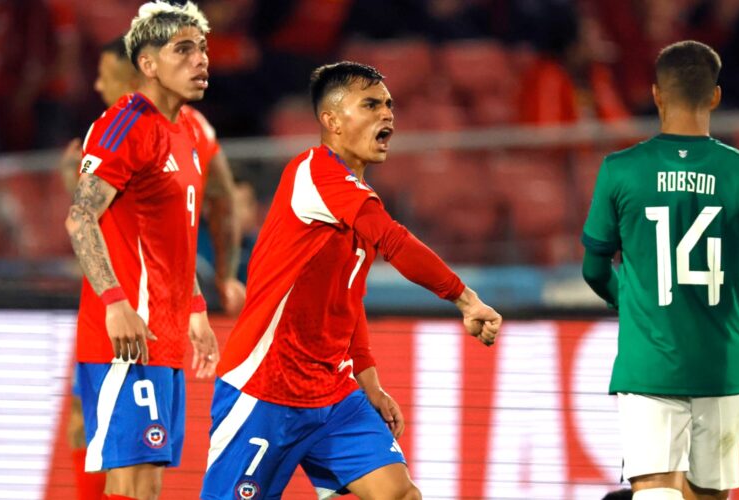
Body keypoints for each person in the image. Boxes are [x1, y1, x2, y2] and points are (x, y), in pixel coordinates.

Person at [201, 62, 502, 499]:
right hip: (264, 388)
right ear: (332, 121)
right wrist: (465, 298)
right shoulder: (316, 174)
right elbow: (395, 241)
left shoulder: (354, 198)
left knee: (400, 495)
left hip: (332, 394)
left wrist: (369, 382)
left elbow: (347, 300)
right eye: (372, 104)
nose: (388, 115)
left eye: (389, 105)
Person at [582, 40, 739, 500]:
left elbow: (594, 267)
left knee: (655, 493)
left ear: (657, 94)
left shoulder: (620, 170)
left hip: (648, 365)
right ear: (714, 96)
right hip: (722, 368)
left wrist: (630, 301)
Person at [59, 33, 246, 499]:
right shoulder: (121, 126)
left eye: (201, 50)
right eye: (185, 50)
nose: (201, 60)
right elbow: (82, 217)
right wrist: (115, 300)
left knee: (147, 477)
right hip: (126, 320)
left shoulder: (186, 130)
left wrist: (197, 303)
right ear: (146, 64)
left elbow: (176, 232)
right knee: (130, 471)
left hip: (161, 323)